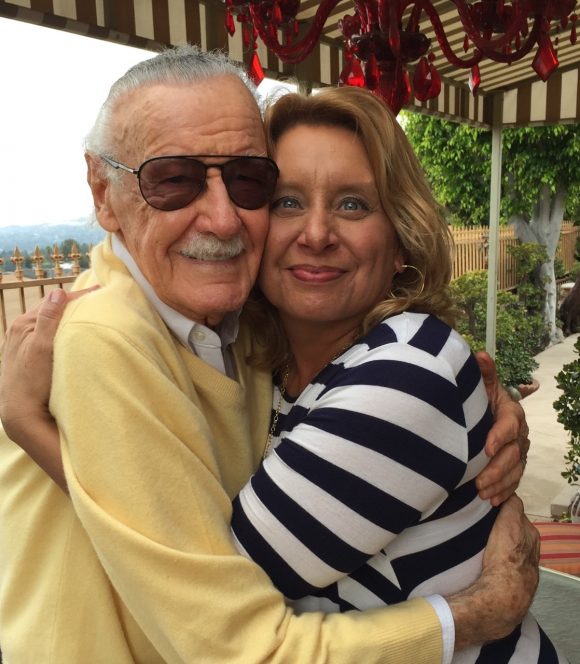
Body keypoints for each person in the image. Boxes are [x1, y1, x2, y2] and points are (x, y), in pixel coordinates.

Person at [0, 45, 536, 664]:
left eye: (248, 182)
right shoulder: (109, 338)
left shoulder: (249, 340)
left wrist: (478, 403)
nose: (223, 219)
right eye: (172, 180)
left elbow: (213, 576)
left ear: (400, 240)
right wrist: (472, 614)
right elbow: (225, 624)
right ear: (103, 192)